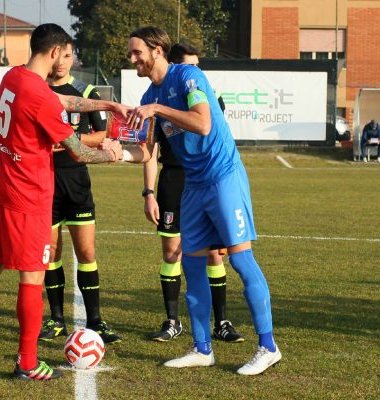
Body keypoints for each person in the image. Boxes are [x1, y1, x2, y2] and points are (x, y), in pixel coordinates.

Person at [0, 23, 124, 381]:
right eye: (63, 54)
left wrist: (108, 104)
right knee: (32, 278)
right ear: (55, 53)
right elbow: (80, 152)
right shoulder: (39, 96)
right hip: (30, 196)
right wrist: (112, 153)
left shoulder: (14, 77)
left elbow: (65, 101)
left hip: (4, 188)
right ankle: (26, 361)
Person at [124, 26, 281, 375]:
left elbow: (204, 123)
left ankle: (268, 346)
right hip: (193, 186)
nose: (132, 58)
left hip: (223, 177)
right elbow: (145, 151)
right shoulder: (152, 94)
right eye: (131, 53)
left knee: (240, 261)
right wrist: (114, 152)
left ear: (157, 51)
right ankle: (201, 347)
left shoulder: (188, 76)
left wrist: (157, 109)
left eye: (137, 52)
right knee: (192, 266)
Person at [143, 42, 243, 343]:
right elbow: (149, 150)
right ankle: (172, 321)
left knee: (215, 254)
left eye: (198, 66)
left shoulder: (207, 93)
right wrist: (148, 192)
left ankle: (222, 322)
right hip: (173, 178)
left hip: (207, 178)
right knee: (171, 251)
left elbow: (210, 129)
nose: (196, 72)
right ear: (175, 67)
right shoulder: (158, 95)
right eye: (191, 65)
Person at [39, 42, 121, 344]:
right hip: (45, 182)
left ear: (73, 59)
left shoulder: (86, 95)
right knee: (52, 254)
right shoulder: (40, 93)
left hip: (77, 182)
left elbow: (103, 134)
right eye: (57, 55)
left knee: (87, 253)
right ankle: (57, 319)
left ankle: (96, 320)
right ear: (49, 57)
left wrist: (70, 140)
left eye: (68, 56)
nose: (61, 62)